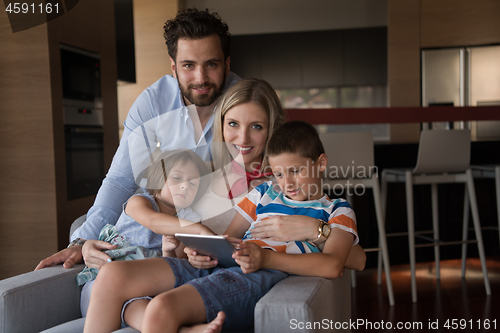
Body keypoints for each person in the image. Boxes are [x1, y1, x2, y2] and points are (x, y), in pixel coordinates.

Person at [82, 120, 366, 333]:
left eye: (296, 171)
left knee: (160, 309)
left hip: (260, 271)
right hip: (226, 262)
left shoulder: (336, 210)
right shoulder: (265, 192)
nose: (287, 183)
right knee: (111, 275)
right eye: (279, 173)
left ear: (321, 164)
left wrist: (269, 255)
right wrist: (203, 250)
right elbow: (230, 237)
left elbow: (332, 265)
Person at [35, 8, 240, 271]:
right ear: (173, 67)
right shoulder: (153, 102)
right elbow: (121, 180)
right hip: (156, 227)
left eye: (211, 64)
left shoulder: (243, 102)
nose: (200, 78)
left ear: (227, 63)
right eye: (188, 65)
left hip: (216, 229)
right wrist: (81, 240)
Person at [76, 149, 212, 286]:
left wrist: (168, 250)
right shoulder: (139, 201)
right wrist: (200, 230)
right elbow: (154, 222)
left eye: (193, 183)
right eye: (177, 178)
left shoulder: (190, 219)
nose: (185, 186)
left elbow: (174, 265)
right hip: (113, 266)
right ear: (159, 178)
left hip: (147, 276)